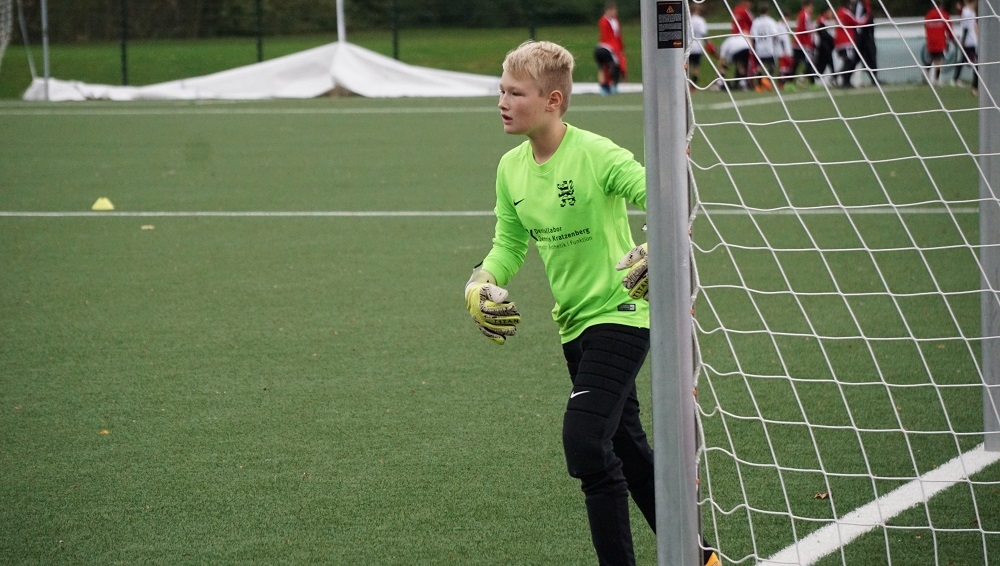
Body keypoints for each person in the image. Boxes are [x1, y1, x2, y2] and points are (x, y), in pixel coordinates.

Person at [464, 39, 721, 566]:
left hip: (622, 314)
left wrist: (655, 248)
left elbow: (669, 195)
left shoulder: (595, 153)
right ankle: (701, 559)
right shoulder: (510, 168)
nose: (502, 102)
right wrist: (480, 281)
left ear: (553, 100)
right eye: (501, 91)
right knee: (625, 446)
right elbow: (508, 244)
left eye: (516, 93)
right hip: (574, 327)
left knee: (585, 442)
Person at [594, 1, 627, 95]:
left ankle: (610, 85)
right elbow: (607, 37)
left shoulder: (615, 21)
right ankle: (607, 85)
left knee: (610, 66)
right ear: (608, 10)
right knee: (607, 66)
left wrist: (620, 48)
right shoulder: (604, 21)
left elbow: (618, 36)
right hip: (607, 47)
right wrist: (615, 48)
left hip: (612, 47)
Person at [750, 3, 782, 90]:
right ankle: (766, 81)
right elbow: (775, 34)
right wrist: (775, 43)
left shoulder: (756, 22)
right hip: (768, 48)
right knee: (772, 66)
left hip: (759, 48)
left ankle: (760, 85)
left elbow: (752, 36)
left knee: (759, 67)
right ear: (768, 11)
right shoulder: (771, 21)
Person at [924, 2, 955, 86]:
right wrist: (952, 38)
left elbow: (926, 27)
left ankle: (925, 73)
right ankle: (936, 80)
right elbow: (949, 28)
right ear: (941, 6)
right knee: (938, 61)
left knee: (931, 58)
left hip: (931, 41)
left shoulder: (928, 15)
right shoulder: (943, 15)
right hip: (940, 41)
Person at [952, 0, 979, 95]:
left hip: (972, 40)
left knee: (965, 60)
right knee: (976, 63)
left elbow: (973, 26)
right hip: (969, 42)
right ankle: (974, 87)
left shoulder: (971, 12)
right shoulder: (967, 12)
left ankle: (956, 79)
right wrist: (963, 42)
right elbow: (966, 28)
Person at [833, 0, 862, 87]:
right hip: (846, 41)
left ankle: (845, 81)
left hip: (840, 41)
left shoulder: (839, 12)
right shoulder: (846, 12)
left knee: (848, 61)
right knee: (850, 61)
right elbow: (857, 22)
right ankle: (838, 77)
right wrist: (867, 16)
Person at [791, 0, 817, 86]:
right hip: (803, 44)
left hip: (799, 43)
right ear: (807, 6)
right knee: (809, 63)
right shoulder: (805, 15)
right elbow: (806, 29)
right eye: (811, 6)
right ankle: (811, 82)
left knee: (797, 63)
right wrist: (813, 29)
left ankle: (790, 82)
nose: (812, 9)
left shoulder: (802, 14)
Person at [689, 3, 713, 88]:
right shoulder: (701, 20)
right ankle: (693, 86)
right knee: (696, 67)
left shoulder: (688, 20)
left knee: (688, 66)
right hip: (698, 46)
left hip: (689, 46)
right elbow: (703, 33)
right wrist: (709, 43)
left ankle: (688, 84)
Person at [853, 0, 878, 84]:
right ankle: (844, 78)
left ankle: (874, 79)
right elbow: (858, 20)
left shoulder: (867, 5)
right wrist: (859, 36)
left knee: (870, 57)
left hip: (868, 37)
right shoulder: (860, 4)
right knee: (857, 58)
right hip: (863, 38)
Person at [813, 5, 838, 83]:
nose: (831, 13)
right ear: (825, 12)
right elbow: (822, 34)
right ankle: (834, 77)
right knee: (822, 64)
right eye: (830, 12)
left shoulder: (825, 20)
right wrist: (832, 39)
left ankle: (834, 77)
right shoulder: (821, 20)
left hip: (825, 46)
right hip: (822, 46)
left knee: (825, 63)